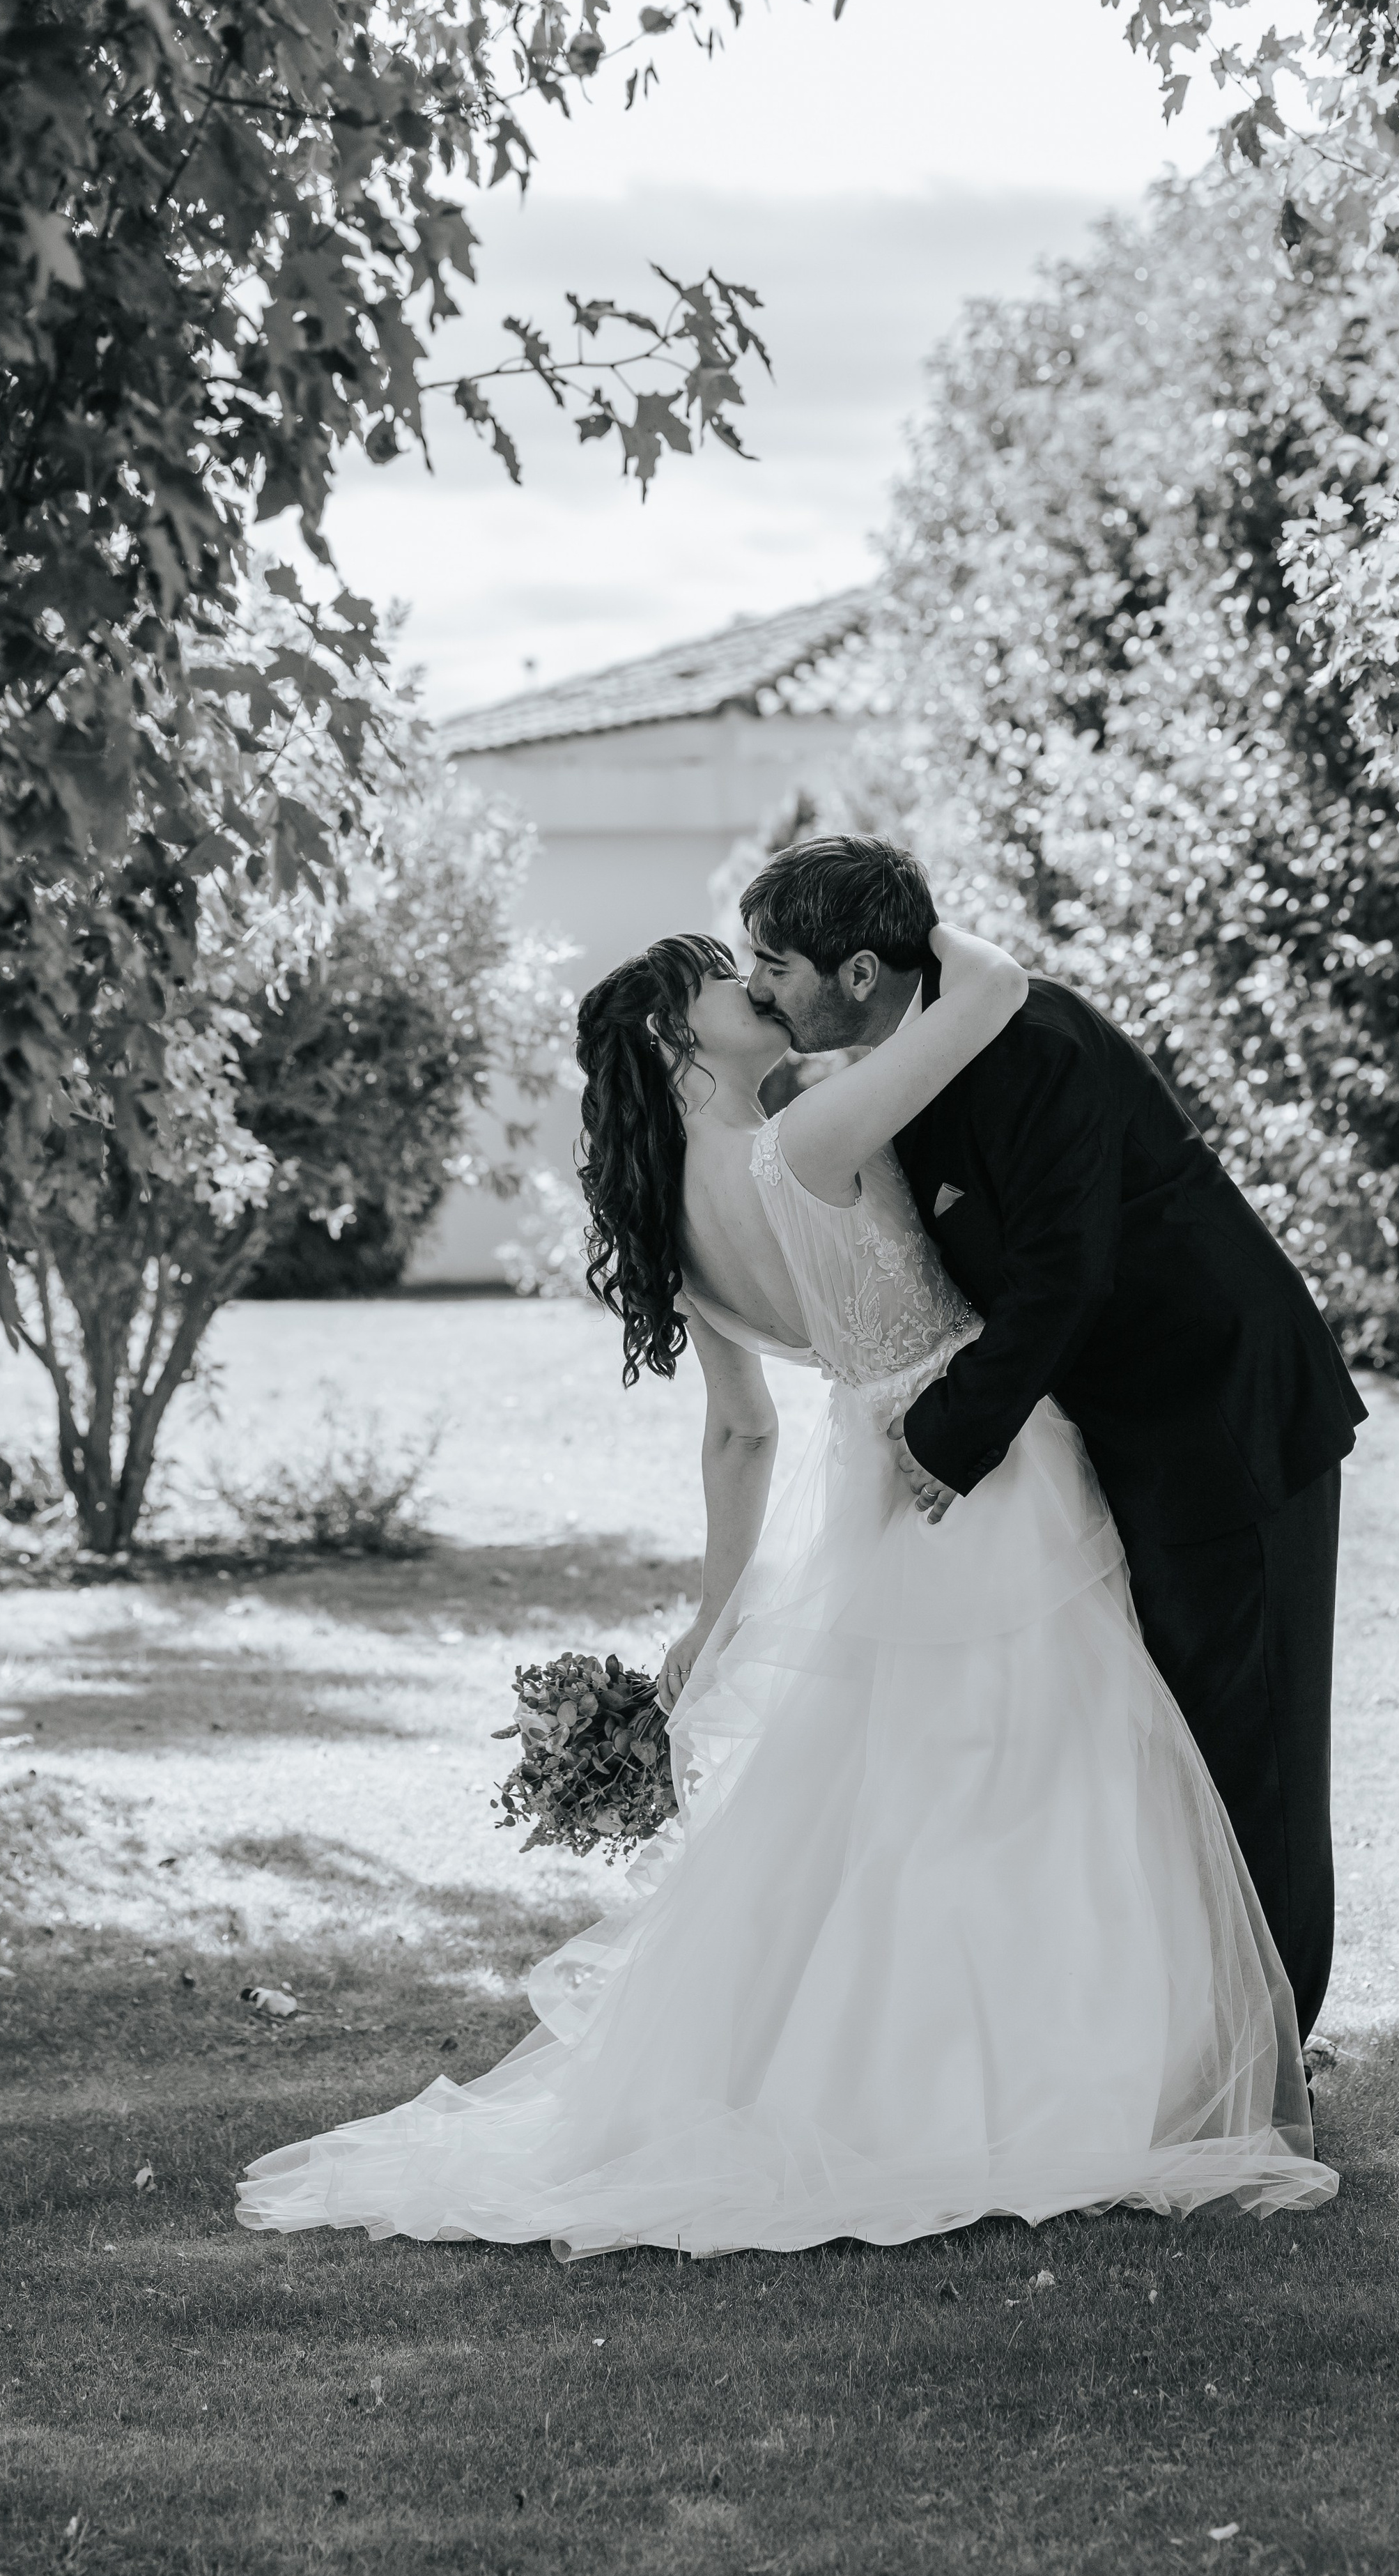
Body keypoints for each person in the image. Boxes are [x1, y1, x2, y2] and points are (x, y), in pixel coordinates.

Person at [237, 883, 1334, 2259]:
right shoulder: (816, 1129)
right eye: (720, 978)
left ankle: (926, 2063)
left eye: (757, 966)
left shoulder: (676, 1226)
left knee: (907, 1790)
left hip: (870, 1471)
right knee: (1041, 1768)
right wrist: (939, 942)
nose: (749, 983)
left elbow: (741, 1429)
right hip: (977, 1453)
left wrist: (714, 1612)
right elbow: (981, 998)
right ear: (673, 1040)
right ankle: (1100, 2065)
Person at [743, 838, 1366, 2045]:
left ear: (861, 969)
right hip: (1118, 1432)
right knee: (1168, 1743)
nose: (759, 987)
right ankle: (1190, 2040)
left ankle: (1275, 2063)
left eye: (775, 965)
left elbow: (1065, 1277)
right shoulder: (907, 1057)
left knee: (1256, 1754)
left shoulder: (1036, 1047)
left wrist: (941, 1436)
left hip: (1220, 1419)